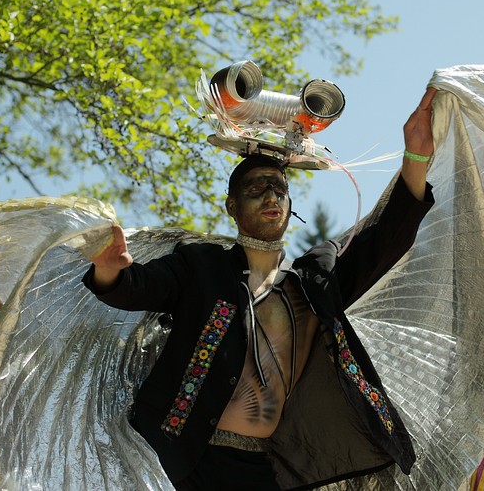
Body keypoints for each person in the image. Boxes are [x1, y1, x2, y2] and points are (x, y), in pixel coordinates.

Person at [82, 87, 437, 490]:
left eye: (279, 189)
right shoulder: (201, 266)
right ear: (231, 206)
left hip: (261, 468)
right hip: (181, 459)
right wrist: (109, 270)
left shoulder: (314, 283)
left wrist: (416, 156)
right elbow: (136, 287)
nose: (271, 196)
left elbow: (385, 237)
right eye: (256, 189)